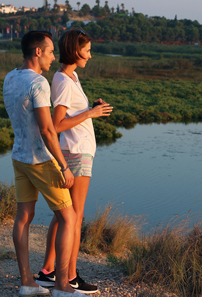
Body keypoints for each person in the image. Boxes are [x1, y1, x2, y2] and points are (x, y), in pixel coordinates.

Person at [3, 31, 87, 297]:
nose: (54, 57)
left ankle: (28, 283)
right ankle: (62, 287)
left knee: (23, 218)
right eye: (50, 51)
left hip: (19, 157)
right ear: (37, 52)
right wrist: (63, 165)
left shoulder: (10, 77)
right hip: (41, 160)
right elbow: (48, 130)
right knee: (69, 217)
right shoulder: (39, 83)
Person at [35, 28, 113, 294]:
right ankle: (70, 276)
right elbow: (57, 125)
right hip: (76, 154)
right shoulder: (65, 81)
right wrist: (91, 112)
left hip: (76, 152)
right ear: (75, 50)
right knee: (74, 218)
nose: (90, 56)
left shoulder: (69, 76)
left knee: (62, 215)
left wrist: (90, 109)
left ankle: (48, 271)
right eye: (87, 51)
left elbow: (70, 113)